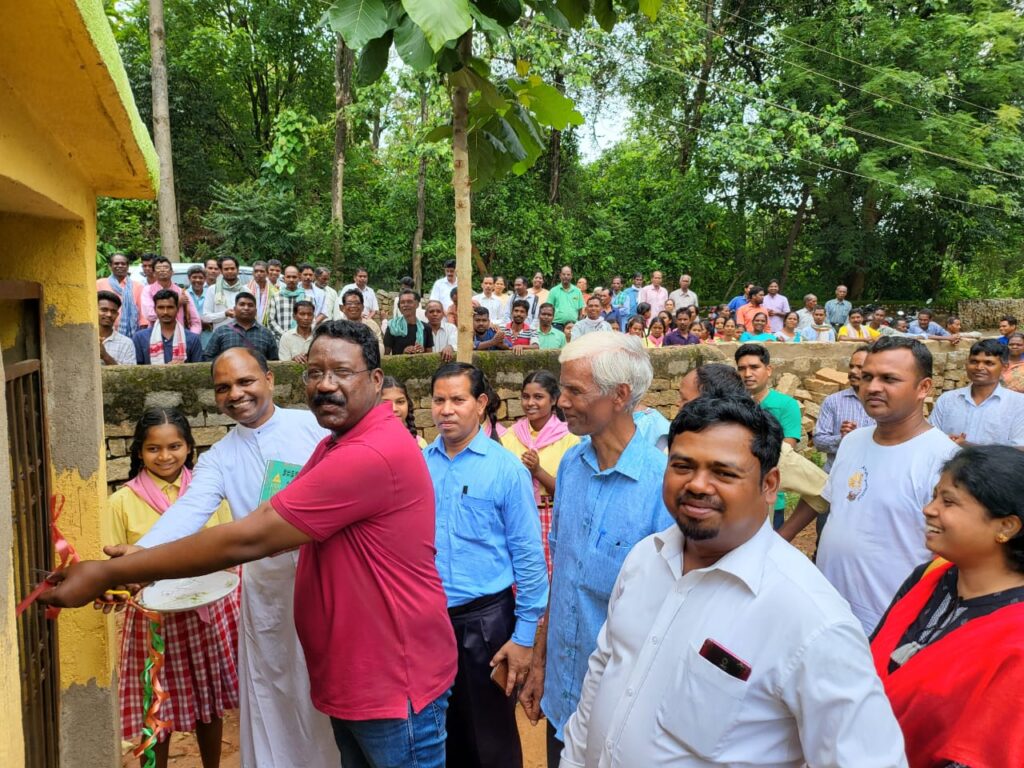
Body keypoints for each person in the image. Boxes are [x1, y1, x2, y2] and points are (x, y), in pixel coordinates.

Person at [42, 323, 459, 768]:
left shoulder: (355, 449)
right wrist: (141, 558)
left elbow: (254, 534)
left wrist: (113, 571)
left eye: (341, 371)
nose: (326, 384)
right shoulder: (328, 442)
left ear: (375, 380)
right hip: (326, 643)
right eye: (315, 372)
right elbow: (190, 512)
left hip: (388, 672)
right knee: (278, 710)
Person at [558, 396, 908, 768]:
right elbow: (603, 675)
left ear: (770, 485)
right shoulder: (645, 558)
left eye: (724, 473)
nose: (697, 485)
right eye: (682, 466)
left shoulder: (813, 619)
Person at [112, 348, 337, 768]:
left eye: (245, 381)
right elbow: (189, 510)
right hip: (267, 598)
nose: (236, 394)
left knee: (328, 694)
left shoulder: (314, 427)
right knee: (275, 695)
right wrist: (142, 553)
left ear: (269, 379)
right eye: (223, 388)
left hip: (329, 585)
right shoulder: (219, 457)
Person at [518, 333, 673, 765]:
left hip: (621, 711)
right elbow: (561, 577)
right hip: (561, 696)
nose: (560, 401)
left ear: (620, 396)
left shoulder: (662, 485)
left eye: (574, 390)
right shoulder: (570, 465)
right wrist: (540, 666)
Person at [425, 363, 548, 768]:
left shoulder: (506, 468)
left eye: (458, 400)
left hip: (486, 623)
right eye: (439, 400)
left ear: (480, 404)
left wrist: (525, 635)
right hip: (427, 621)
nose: (446, 410)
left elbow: (530, 559)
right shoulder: (420, 465)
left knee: (489, 737)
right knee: (439, 732)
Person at [870, 446, 1024, 768]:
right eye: (935, 496)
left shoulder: (1016, 638)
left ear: (1006, 527)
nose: (928, 509)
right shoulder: (932, 574)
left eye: (949, 502)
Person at [110, 407, 239, 768]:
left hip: (207, 611)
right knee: (155, 704)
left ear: (188, 447)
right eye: (154, 449)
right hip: (152, 620)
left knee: (208, 700)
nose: (165, 456)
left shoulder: (209, 491)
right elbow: (115, 566)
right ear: (139, 452)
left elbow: (227, 545)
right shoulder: (121, 502)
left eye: (174, 446)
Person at [816, 337, 960, 634]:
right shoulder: (853, 441)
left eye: (889, 379)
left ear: (924, 388)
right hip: (827, 611)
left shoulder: (945, 460)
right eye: (867, 377)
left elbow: (951, 555)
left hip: (890, 622)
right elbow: (835, 505)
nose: (872, 387)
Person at [501, 371, 579, 577]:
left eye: (538, 397)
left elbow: (572, 493)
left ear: (553, 400)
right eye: (526, 396)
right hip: (518, 517)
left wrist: (538, 471)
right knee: (521, 578)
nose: (530, 403)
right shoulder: (510, 437)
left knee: (555, 579)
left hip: (554, 519)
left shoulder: (570, 439)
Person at [735, 343, 803, 529]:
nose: (747, 374)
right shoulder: (732, 405)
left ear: (768, 369)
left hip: (770, 495)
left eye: (754, 367)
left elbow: (784, 451)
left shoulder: (786, 405)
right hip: (735, 496)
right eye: (742, 369)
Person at [929, 339, 1024, 446]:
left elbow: (1019, 452)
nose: (979, 368)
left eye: (989, 363)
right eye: (974, 362)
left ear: (1004, 367)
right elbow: (931, 439)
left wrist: (967, 446)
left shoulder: (1019, 404)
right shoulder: (947, 400)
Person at [814, 346, 875, 472]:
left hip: (873, 474)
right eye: (851, 366)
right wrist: (843, 438)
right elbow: (819, 441)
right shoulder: (833, 401)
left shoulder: (885, 403)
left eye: (860, 367)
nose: (853, 371)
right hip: (837, 475)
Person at [203, 292, 280, 362]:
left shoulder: (266, 333)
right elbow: (208, 357)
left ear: (255, 311)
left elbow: (274, 361)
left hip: (256, 377)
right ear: (234, 309)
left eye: (250, 305)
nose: (246, 308)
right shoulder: (221, 331)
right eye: (242, 304)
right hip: (229, 376)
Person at [133, 290, 204, 365]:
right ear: (155, 310)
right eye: (161, 307)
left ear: (177, 309)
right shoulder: (140, 338)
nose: (165, 312)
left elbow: (197, 370)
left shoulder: (192, 339)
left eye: (170, 307)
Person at [141, 256, 202, 335]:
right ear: (154, 273)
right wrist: (177, 303)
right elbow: (150, 315)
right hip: (155, 336)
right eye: (158, 268)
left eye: (166, 267)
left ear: (172, 272)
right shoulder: (147, 290)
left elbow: (195, 321)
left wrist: (191, 337)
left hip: (180, 336)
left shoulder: (182, 292)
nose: (162, 270)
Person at [97, 252, 145, 336]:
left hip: (132, 333)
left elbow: (142, 311)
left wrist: (142, 328)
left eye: (123, 264)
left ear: (127, 266)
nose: (120, 266)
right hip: (103, 331)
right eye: (116, 263)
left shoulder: (137, 286)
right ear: (110, 266)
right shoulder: (99, 284)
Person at [202, 255, 246, 333]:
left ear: (237, 270)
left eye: (232, 268)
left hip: (242, 336)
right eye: (226, 269)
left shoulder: (246, 291)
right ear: (221, 271)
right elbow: (206, 317)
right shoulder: (212, 290)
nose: (230, 271)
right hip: (220, 336)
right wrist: (225, 314)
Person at [381, 375, 427, 448]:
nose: (394, 409)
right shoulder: (368, 445)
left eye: (400, 402)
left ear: (408, 404)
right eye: (386, 403)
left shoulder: (421, 444)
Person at [337, 288, 384, 358]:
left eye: (357, 303)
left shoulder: (371, 325)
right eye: (349, 303)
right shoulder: (337, 327)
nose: (353, 306)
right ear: (343, 308)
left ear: (362, 307)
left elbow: (380, 348)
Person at [384, 289, 433, 355]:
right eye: (402, 302)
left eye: (409, 302)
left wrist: (422, 352)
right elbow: (386, 355)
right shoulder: (393, 326)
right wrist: (404, 353)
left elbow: (430, 355)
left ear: (417, 304)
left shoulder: (426, 328)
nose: (405, 305)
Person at [98, 290, 137, 366]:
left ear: (117, 314)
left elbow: (129, 375)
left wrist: (105, 356)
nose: (109, 314)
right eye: (104, 310)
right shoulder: (83, 338)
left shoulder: (126, 343)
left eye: (113, 311)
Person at [267, 266, 306, 340]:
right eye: (288, 277)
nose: (291, 280)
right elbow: (271, 320)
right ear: (284, 278)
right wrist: (285, 336)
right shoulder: (275, 297)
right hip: (280, 340)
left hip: (301, 339)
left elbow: (311, 320)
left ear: (299, 278)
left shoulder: (306, 297)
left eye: (294, 277)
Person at [186, 265, 215, 346]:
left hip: (208, 337)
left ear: (205, 279)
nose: (197, 280)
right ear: (189, 278)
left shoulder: (211, 293)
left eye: (201, 278)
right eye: (194, 277)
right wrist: (199, 322)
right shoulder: (184, 294)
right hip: (190, 336)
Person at [246, 260, 276, 327]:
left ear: (267, 274)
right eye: (256, 271)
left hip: (267, 328)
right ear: (253, 273)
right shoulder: (245, 289)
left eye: (262, 271)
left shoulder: (274, 291)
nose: (258, 273)